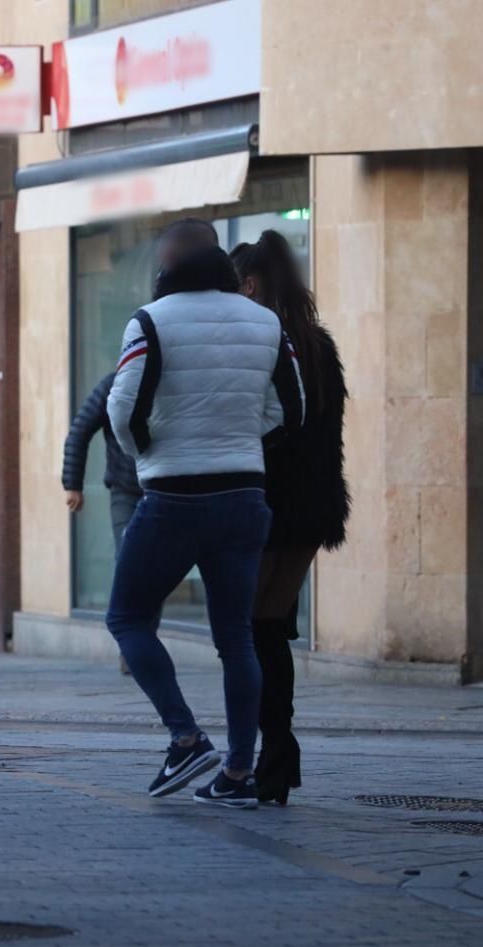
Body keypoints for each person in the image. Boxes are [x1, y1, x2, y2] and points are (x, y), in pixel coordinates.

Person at [105, 218, 304, 810]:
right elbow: (291, 409)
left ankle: (186, 737)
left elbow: (122, 408)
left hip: (173, 497)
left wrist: (150, 452)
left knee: (127, 617)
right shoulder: (266, 322)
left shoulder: (150, 320)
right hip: (245, 496)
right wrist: (241, 440)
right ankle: (239, 773)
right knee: (236, 638)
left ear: (169, 261)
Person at [231, 231, 350, 806]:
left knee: (251, 632)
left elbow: (268, 427)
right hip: (313, 507)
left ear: (250, 285)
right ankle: (277, 754)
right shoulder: (319, 344)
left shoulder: (263, 343)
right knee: (270, 629)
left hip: (269, 505)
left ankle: (271, 754)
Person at [62, 370, 148, 671]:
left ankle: (141, 640)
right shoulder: (113, 384)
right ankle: (131, 645)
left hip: (163, 487)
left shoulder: (167, 380)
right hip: (126, 490)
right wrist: (72, 484)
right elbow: (80, 430)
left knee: (157, 567)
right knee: (128, 559)